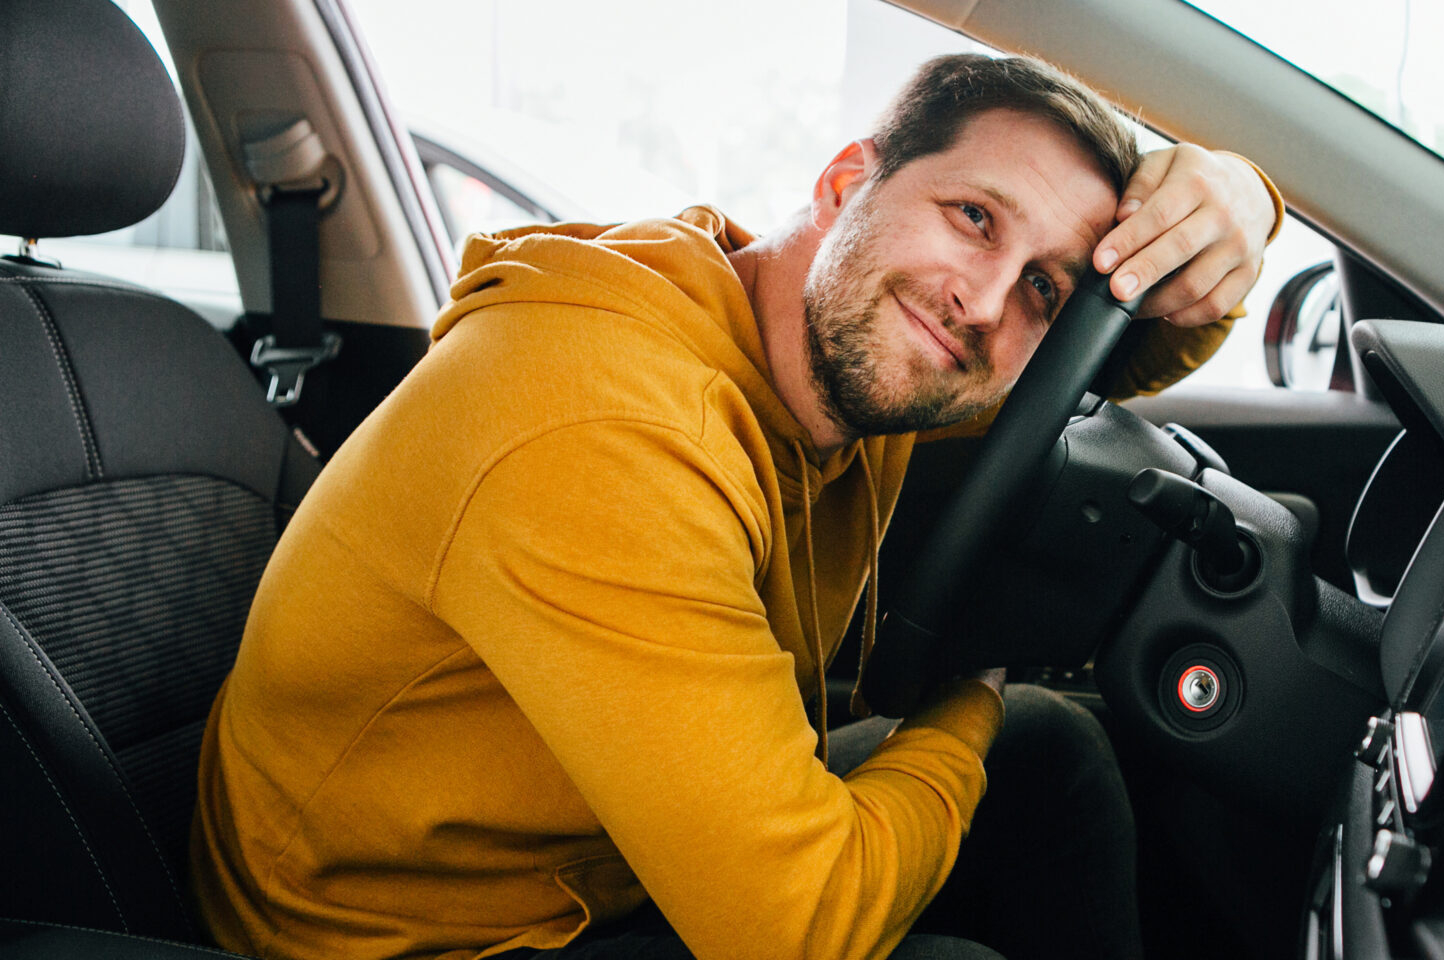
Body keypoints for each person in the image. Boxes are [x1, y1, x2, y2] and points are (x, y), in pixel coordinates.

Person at [191, 54, 1281, 960]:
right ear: (845, 182)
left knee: (1054, 754)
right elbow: (796, 929)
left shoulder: (853, 346)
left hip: (590, 862)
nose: (987, 302)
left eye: (1042, 284)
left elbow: (1115, 349)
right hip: (404, 937)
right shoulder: (603, 428)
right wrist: (975, 690)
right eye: (972, 217)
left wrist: (1241, 198)